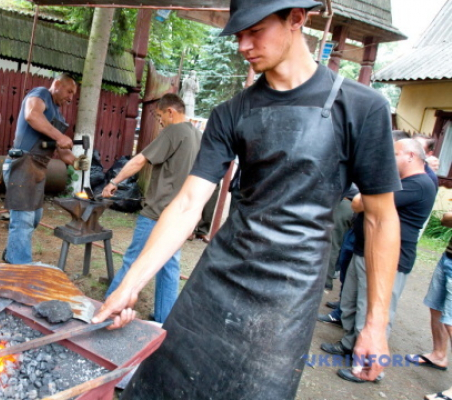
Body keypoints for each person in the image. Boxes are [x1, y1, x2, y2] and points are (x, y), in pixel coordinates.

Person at [91, 1, 402, 398]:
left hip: (290, 293)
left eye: (254, 31)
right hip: (220, 275)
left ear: (296, 19)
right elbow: (188, 203)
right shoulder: (233, 112)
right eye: (238, 34)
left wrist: (374, 325)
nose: (243, 45)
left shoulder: (361, 107)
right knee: (163, 384)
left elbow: (380, 219)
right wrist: (129, 286)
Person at [321, 138, 436, 383]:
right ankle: (349, 345)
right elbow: (359, 202)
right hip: (364, 251)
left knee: (373, 313)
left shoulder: (419, 184)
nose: (389, 158)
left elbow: (362, 202)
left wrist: (366, 197)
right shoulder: (400, 183)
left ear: (410, 156)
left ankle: (370, 369)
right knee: (351, 303)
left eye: (394, 153)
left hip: (390, 261)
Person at [102, 93, 202, 323]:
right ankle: (163, 318)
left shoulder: (173, 131)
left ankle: (109, 305)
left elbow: (140, 160)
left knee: (134, 259)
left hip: (158, 213)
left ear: (171, 112)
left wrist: (114, 182)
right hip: (180, 214)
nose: (160, 122)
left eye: (159, 116)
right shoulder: (197, 135)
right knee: (169, 266)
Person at [3, 73, 87, 264]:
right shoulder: (40, 94)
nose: (71, 97)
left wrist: (80, 164)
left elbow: (63, 153)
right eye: (69, 91)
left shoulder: (58, 114)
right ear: (56, 84)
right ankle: (20, 269)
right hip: (22, 163)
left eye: (74, 94)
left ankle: (12, 254)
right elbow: (32, 115)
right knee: (23, 220)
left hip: (38, 169)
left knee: (34, 218)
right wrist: (59, 136)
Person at [416, 212, 452, 400]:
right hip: (448, 257)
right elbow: (446, 219)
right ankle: (439, 355)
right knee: (436, 307)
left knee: (451, 321)